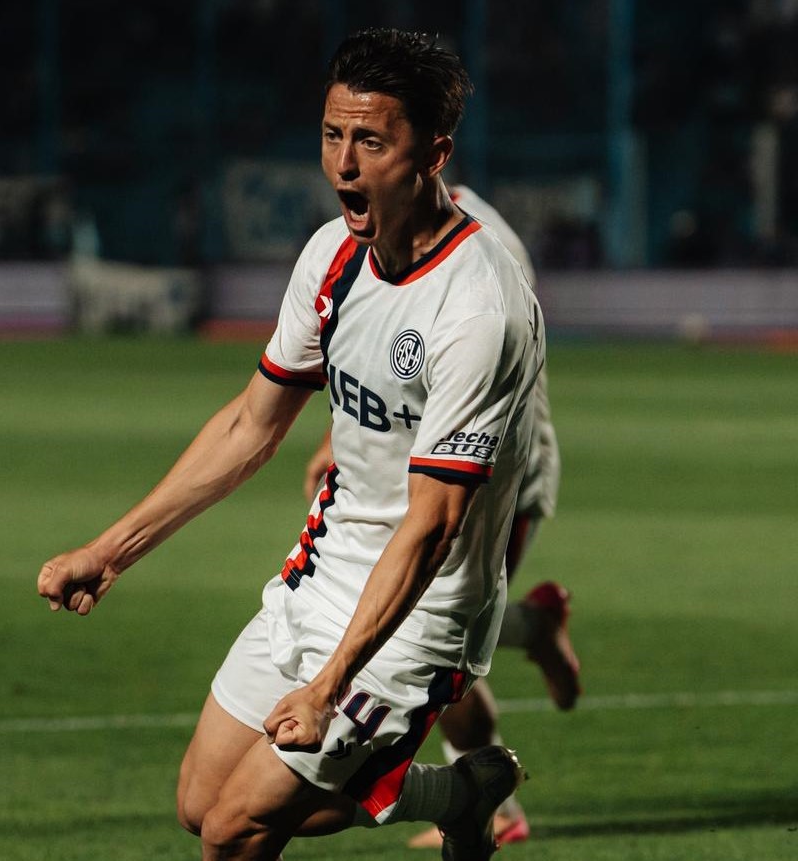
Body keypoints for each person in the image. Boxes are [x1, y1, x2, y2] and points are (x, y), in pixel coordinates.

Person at [38, 29, 544, 861]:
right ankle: (461, 791)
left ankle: (430, 774)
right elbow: (251, 425)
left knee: (239, 828)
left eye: (372, 141)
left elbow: (432, 525)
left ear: (434, 152)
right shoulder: (330, 257)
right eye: (332, 135)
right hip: (323, 574)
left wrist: (329, 684)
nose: (343, 164)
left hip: (420, 612)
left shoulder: (477, 307)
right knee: (202, 803)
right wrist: (111, 550)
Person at [301, 185, 581, 849]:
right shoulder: (382, 233)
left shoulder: (483, 242)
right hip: (418, 479)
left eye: (372, 139)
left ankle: (490, 802)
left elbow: (476, 375)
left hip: (492, 484)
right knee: (418, 626)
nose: (350, 165)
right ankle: (534, 628)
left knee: (431, 646)